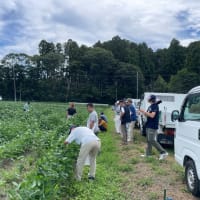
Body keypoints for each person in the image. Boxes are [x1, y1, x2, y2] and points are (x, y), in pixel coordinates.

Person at [139, 95, 168, 160]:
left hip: (152, 125)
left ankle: (163, 152)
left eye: (148, 98)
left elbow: (152, 115)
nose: (147, 99)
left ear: (151, 99)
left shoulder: (155, 106)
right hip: (148, 124)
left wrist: (143, 111)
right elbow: (148, 114)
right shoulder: (150, 106)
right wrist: (142, 113)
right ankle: (148, 154)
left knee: (151, 140)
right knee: (148, 140)